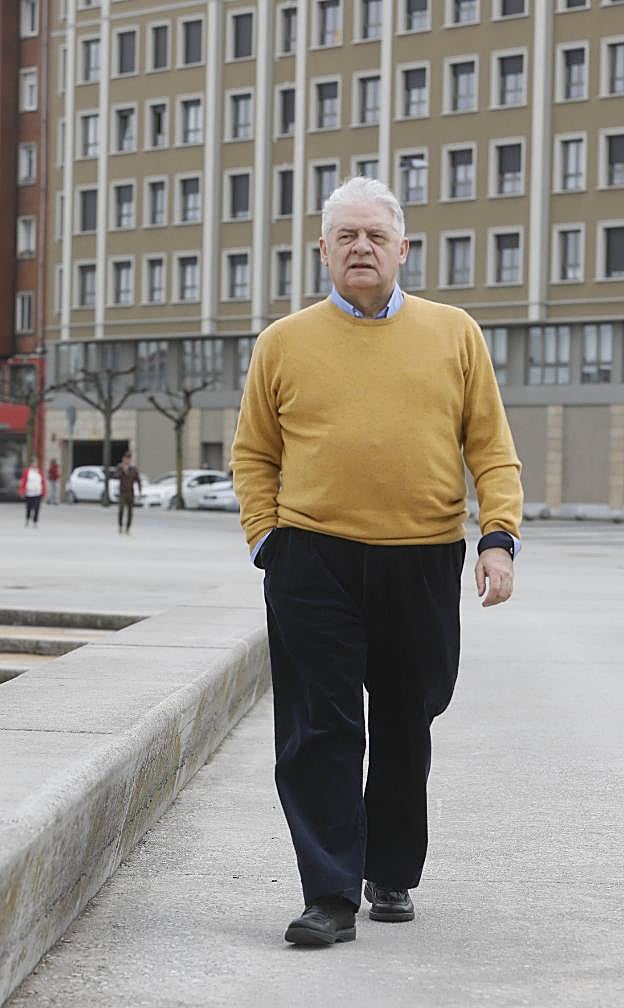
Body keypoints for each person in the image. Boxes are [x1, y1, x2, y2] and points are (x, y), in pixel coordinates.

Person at [231, 176, 522, 948]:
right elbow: (254, 454)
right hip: (312, 559)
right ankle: (329, 892)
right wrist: (269, 542)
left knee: (406, 718)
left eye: (376, 236)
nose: (361, 247)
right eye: (346, 236)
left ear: (403, 250)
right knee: (320, 727)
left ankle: (389, 869)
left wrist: (497, 537)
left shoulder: (455, 332)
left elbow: (491, 448)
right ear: (322, 251)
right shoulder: (283, 342)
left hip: (422, 557)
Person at [113, 452, 141, 534]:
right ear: (123, 459)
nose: (127, 460)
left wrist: (139, 491)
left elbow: (138, 480)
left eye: (128, 459)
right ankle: (120, 526)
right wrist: (122, 471)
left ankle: (128, 528)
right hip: (122, 492)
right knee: (121, 509)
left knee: (130, 512)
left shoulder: (133, 469)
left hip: (130, 492)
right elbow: (115, 476)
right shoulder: (120, 467)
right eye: (125, 459)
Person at [19, 455, 46, 528]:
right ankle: (27, 519)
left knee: (37, 508)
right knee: (29, 508)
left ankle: (35, 521)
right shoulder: (27, 472)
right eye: (33, 463)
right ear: (31, 464)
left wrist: (43, 492)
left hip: (38, 492)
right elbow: (23, 482)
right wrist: (22, 491)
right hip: (29, 493)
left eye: (36, 463)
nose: (35, 464)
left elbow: (42, 482)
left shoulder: (40, 472)